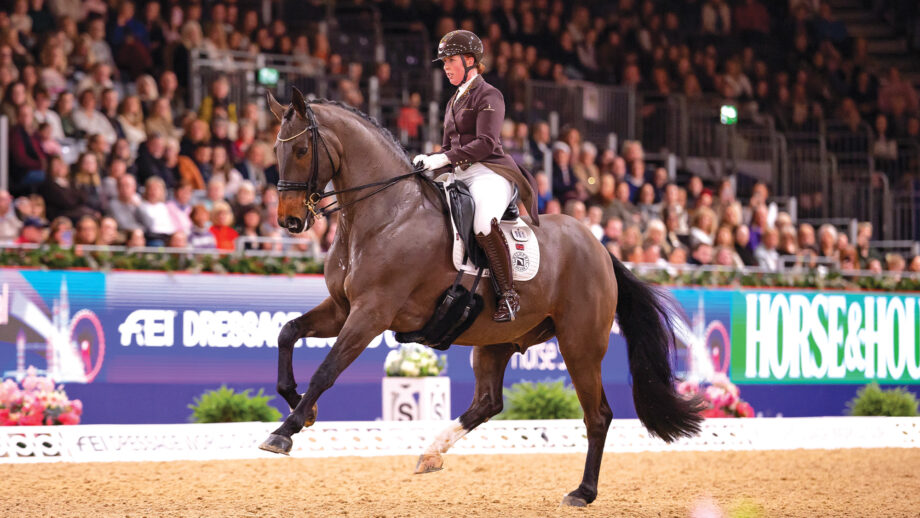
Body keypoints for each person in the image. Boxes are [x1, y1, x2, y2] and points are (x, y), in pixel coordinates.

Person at [411, 30, 540, 322]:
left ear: (470, 61)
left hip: (491, 172)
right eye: (443, 62)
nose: (445, 67)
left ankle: (508, 294)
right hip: (460, 172)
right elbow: (448, 147)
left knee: (483, 222)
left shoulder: (489, 94)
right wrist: (428, 162)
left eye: (451, 61)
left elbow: (485, 143)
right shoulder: (453, 100)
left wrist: (441, 158)